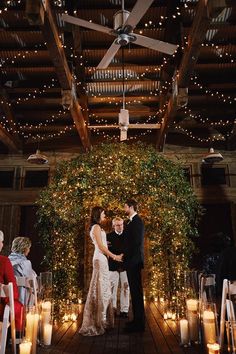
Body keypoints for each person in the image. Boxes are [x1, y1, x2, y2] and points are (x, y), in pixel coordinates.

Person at [79, 206, 123, 336]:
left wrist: (106, 246)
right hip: (99, 259)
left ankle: (102, 319)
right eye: (103, 213)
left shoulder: (97, 227)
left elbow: (101, 243)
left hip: (102, 259)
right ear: (98, 214)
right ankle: (99, 321)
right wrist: (114, 256)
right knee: (101, 289)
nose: (105, 215)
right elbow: (99, 246)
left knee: (104, 288)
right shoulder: (96, 227)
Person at [123, 199, 145, 332]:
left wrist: (127, 258)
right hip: (131, 261)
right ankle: (136, 320)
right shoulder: (131, 222)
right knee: (134, 292)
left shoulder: (137, 221)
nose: (124, 209)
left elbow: (136, 243)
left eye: (125, 207)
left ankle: (139, 324)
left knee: (136, 292)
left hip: (134, 262)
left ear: (131, 207)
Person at [0, 230, 23, 331]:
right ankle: (15, 335)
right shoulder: (4, 261)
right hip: (1, 307)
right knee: (18, 306)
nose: (2, 244)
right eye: (1, 241)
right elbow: (13, 290)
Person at [107, 217, 129, 318]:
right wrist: (116, 257)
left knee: (125, 288)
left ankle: (124, 310)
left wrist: (122, 255)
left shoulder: (128, 235)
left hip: (125, 265)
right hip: (113, 266)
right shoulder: (108, 236)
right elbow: (108, 251)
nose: (120, 227)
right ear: (113, 226)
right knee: (112, 289)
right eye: (117, 225)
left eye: (121, 224)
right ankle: (113, 309)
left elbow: (129, 249)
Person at [9, 237, 37, 306]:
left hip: (8, 300)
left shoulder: (7, 261)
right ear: (25, 249)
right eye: (28, 248)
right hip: (22, 301)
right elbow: (34, 284)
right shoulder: (25, 263)